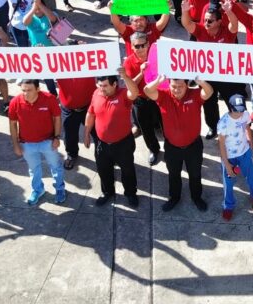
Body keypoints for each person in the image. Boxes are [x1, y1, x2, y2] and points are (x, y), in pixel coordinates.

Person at [141, 75, 214, 212]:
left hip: (193, 146)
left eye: (180, 86)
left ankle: (196, 197)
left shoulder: (194, 95)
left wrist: (201, 82)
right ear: (169, 85)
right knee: (173, 174)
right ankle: (174, 197)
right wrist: (159, 81)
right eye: (173, 86)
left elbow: (209, 92)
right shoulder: (163, 96)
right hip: (172, 147)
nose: (177, 90)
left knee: (195, 174)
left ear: (187, 85)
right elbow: (147, 91)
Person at [83, 72, 141, 206]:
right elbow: (91, 113)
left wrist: (125, 76)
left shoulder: (123, 94)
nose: (101, 89)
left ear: (115, 84)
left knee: (127, 171)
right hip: (102, 144)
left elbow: (134, 91)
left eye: (105, 86)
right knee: (103, 170)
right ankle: (108, 192)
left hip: (123, 144)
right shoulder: (96, 94)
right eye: (99, 85)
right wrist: (86, 134)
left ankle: (131, 193)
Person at [8, 79, 66, 206]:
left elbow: (57, 118)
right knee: (34, 169)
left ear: (38, 89)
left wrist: (56, 137)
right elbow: (12, 124)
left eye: (29, 90)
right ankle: (38, 190)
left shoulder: (49, 99)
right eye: (23, 90)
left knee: (56, 167)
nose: (26, 94)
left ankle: (60, 189)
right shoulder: (15, 102)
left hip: (48, 141)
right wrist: (16, 144)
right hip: (27, 144)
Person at [216, 93, 253, 221]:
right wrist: (227, 164)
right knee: (228, 184)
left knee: (252, 177)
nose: (240, 113)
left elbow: (246, 126)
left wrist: (250, 140)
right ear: (230, 108)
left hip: (245, 153)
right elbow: (222, 145)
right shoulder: (223, 123)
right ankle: (228, 206)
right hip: (229, 157)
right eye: (237, 111)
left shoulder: (245, 114)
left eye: (242, 110)